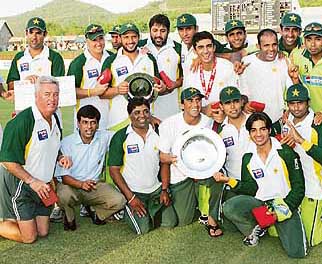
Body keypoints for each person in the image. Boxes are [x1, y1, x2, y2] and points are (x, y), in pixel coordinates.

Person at [215, 112, 306, 258]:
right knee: (229, 207)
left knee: (296, 252)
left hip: (282, 203)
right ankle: (258, 227)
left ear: (269, 130)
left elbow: (299, 188)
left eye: (262, 129)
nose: (259, 134)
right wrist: (228, 180)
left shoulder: (286, 152)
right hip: (260, 204)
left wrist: (280, 212)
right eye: (254, 130)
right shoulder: (248, 157)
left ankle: (272, 224)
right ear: (249, 134)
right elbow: (250, 188)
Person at [0, 76, 72, 243]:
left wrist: (61, 157)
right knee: (29, 237)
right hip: (24, 184)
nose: (52, 99)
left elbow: (52, 146)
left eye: (55, 94)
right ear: (36, 95)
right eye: (47, 94)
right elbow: (8, 161)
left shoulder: (54, 119)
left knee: (43, 231)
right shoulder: (22, 122)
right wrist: (32, 181)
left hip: (44, 187)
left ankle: (19, 221)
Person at [271, 83, 322, 246]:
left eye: (300, 102)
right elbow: (268, 132)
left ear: (308, 102)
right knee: (273, 231)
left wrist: (301, 141)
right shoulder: (285, 120)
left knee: (311, 238)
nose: (296, 107)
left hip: (312, 186)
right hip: (291, 186)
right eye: (292, 103)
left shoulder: (318, 123)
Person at [108, 97, 176, 234]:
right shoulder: (121, 136)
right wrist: (131, 198)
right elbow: (113, 171)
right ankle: (125, 208)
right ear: (130, 115)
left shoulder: (159, 134)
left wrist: (164, 189)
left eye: (145, 111)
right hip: (133, 192)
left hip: (155, 190)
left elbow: (164, 163)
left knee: (170, 223)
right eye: (137, 112)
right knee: (143, 230)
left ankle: (150, 209)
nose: (142, 116)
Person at [55, 105, 125, 231]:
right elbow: (64, 178)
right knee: (63, 195)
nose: (89, 127)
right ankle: (69, 216)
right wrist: (81, 184)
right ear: (78, 123)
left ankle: (96, 213)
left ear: (97, 124)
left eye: (93, 123)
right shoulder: (66, 142)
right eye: (85, 122)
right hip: (71, 185)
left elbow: (125, 133)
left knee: (119, 200)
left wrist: (150, 120)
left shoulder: (104, 137)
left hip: (94, 185)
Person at [159, 88, 213, 226]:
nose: (195, 104)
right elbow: (163, 157)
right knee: (184, 220)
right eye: (190, 100)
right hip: (180, 176)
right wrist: (181, 161)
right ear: (182, 105)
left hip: (202, 173)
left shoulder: (209, 122)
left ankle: (203, 206)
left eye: (198, 100)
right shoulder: (169, 124)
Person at [101, 22, 163, 130]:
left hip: (145, 120)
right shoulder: (110, 61)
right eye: (126, 37)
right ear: (120, 38)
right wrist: (117, 90)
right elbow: (101, 94)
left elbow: (158, 87)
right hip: (118, 121)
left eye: (134, 37)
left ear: (139, 37)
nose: (130, 41)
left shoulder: (149, 58)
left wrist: (162, 88)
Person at [208, 86, 252, 235]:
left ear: (242, 102)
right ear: (221, 106)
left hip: (256, 181)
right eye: (227, 103)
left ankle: (256, 223)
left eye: (235, 101)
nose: (232, 107)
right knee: (229, 225)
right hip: (232, 183)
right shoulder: (219, 129)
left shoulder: (254, 122)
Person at [240, 28, 292, 123]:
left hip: (279, 119)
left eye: (274, 45)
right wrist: (244, 105)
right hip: (254, 122)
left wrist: (289, 110)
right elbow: (243, 90)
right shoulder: (246, 62)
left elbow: (291, 89)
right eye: (266, 45)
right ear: (258, 46)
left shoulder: (285, 61)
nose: (271, 49)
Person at [67, 24, 113, 130]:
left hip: (111, 121)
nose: (98, 43)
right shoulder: (78, 63)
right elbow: (70, 92)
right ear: (87, 41)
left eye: (101, 39)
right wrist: (92, 92)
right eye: (94, 40)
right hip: (86, 122)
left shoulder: (112, 58)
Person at [138, 14, 183, 120]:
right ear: (149, 30)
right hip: (145, 112)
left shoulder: (178, 49)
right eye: (155, 30)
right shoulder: (139, 46)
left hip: (171, 110)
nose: (158, 34)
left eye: (163, 31)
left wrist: (173, 85)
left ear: (168, 31)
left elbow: (186, 76)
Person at [183, 31, 237, 118]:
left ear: (214, 47)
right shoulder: (190, 69)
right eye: (200, 47)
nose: (205, 51)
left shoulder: (227, 67)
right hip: (199, 121)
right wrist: (203, 110)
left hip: (225, 119)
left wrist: (223, 111)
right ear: (195, 50)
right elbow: (186, 102)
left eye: (209, 46)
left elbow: (236, 98)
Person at [6, 17, 65, 91]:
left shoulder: (55, 57)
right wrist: (25, 82)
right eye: (31, 32)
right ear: (26, 33)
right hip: (25, 102)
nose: (34, 37)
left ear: (45, 34)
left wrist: (40, 82)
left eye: (38, 33)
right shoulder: (19, 57)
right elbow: (10, 87)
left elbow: (61, 87)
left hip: (47, 102)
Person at [176, 13, 198, 78]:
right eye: (181, 29)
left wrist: (203, 56)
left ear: (196, 29)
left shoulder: (204, 44)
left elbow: (228, 55)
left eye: (188, 29)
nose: (185, 33)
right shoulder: (180, 47)